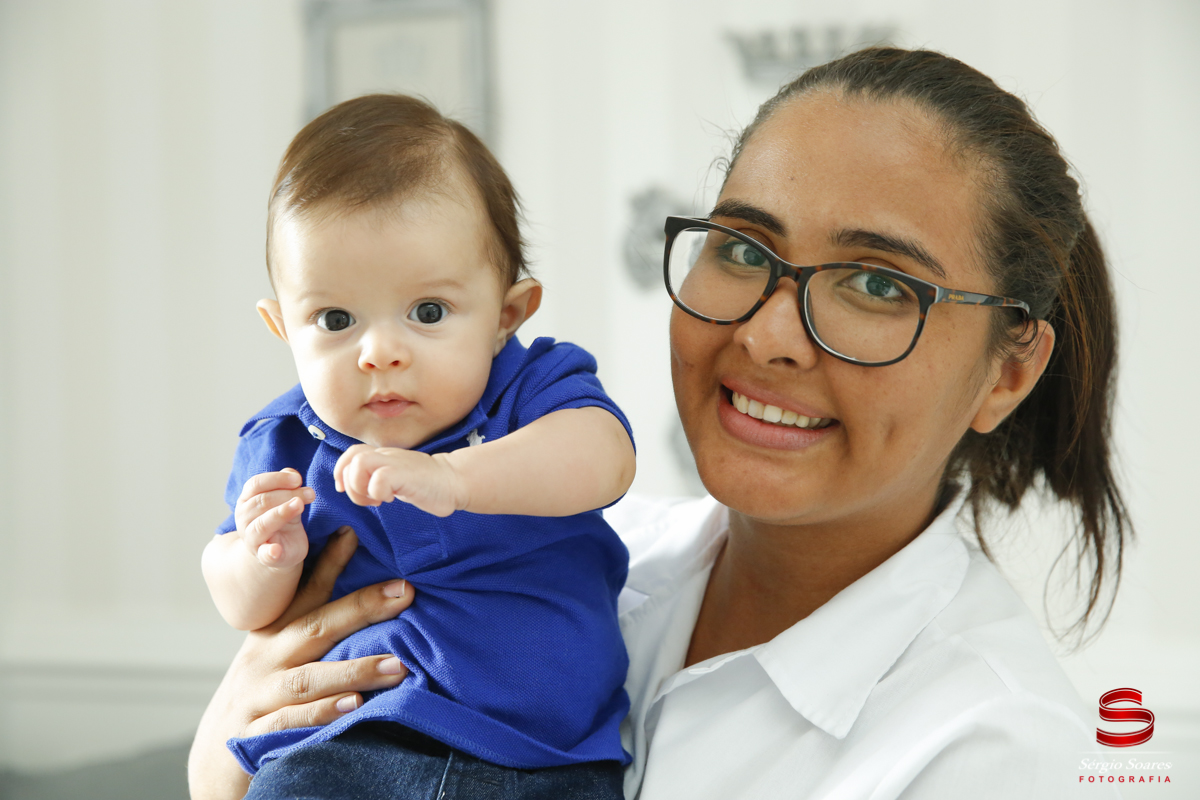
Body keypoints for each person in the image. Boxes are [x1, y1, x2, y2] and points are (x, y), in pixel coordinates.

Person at [190, 48, 1130, 799]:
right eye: (741, 248)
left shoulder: (996, 752)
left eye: (876, 285)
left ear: (1006, 370)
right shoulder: (590, 551)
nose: (768, 335)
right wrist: (231, 740)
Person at [200, 94, 636, 798]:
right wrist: (257, 556)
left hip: (541, 760)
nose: (379, 352)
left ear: (507, 315)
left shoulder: (529, 390)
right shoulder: (285, 440)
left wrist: (457, 478)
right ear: (283, 328)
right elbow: (240, 605)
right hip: (343, 744)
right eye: (335, 318)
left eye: (427, 312)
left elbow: (605, 456)